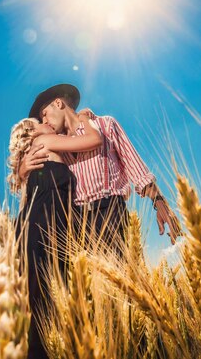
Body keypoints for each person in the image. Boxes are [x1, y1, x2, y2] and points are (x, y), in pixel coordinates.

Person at [19, 84, 181, 250]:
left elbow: (136, 168)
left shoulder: (105, 125)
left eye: (44, 114)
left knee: (121, 273)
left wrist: (160, 203)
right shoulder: (54, 145)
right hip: (74, 227)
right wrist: (23, 169)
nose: (44, 121)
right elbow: (37, 184)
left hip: (110, 214)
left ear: (58, 103)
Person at [7, 112, 102, 359]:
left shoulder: (44, 149)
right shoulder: (46, 143)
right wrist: (82, 119)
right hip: (43, 227)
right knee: (44, 303)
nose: (48, 124)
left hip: (46, 226)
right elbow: (93, 140)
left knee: (43, 304)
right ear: (32, 135)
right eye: (42, 125)